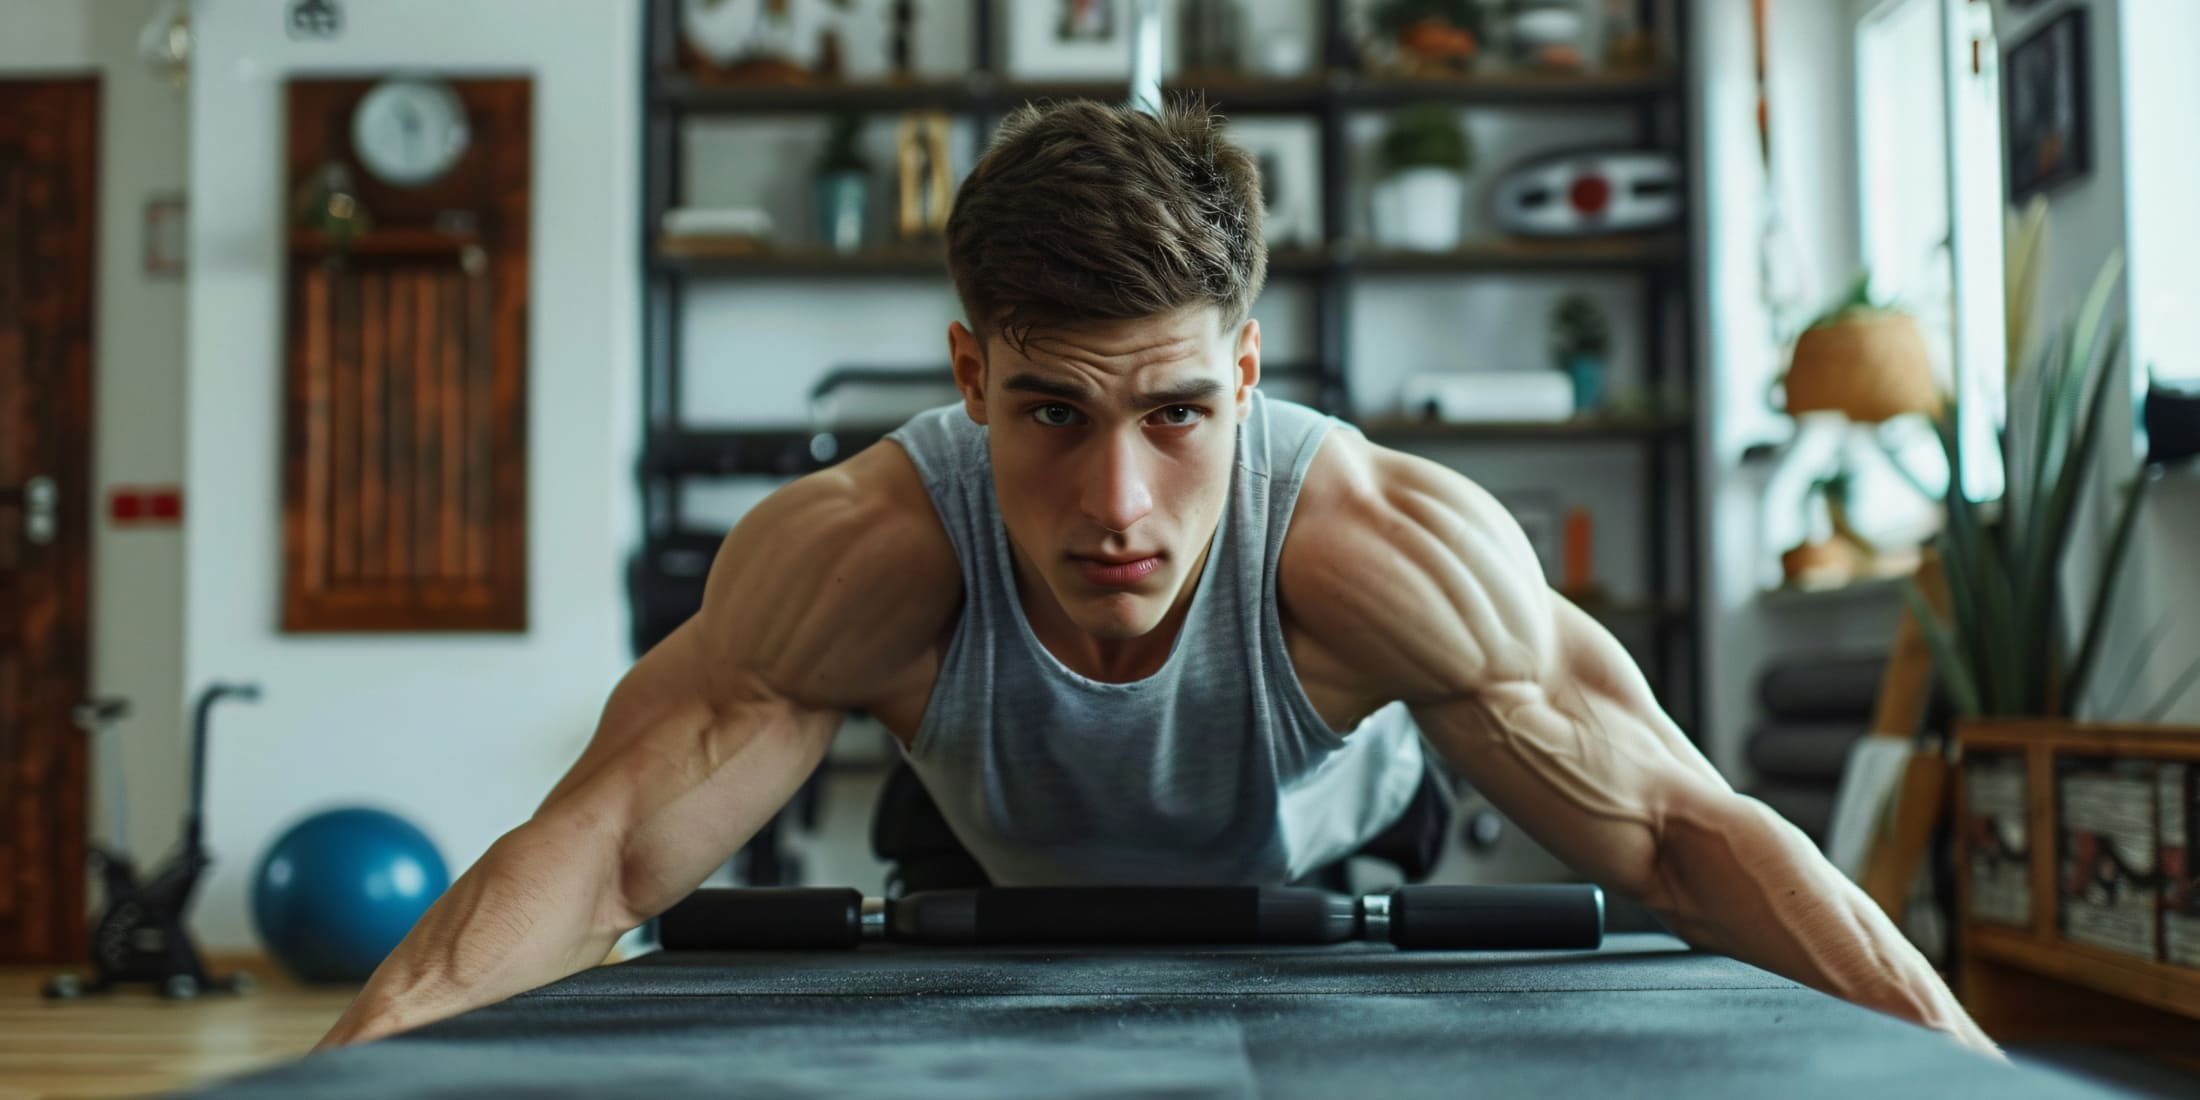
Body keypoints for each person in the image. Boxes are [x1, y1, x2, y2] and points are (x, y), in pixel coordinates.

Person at [317, 99, 1998, 1058]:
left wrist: (1972, 1077)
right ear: (970, 377)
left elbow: (1690, 838)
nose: (1117, 502)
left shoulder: (1385, 546)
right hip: (983, 850)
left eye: (1177, 413)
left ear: (1251, 376)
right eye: (1051, 412)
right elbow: (602, 850)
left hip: (1352, 853)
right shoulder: (862, 554)